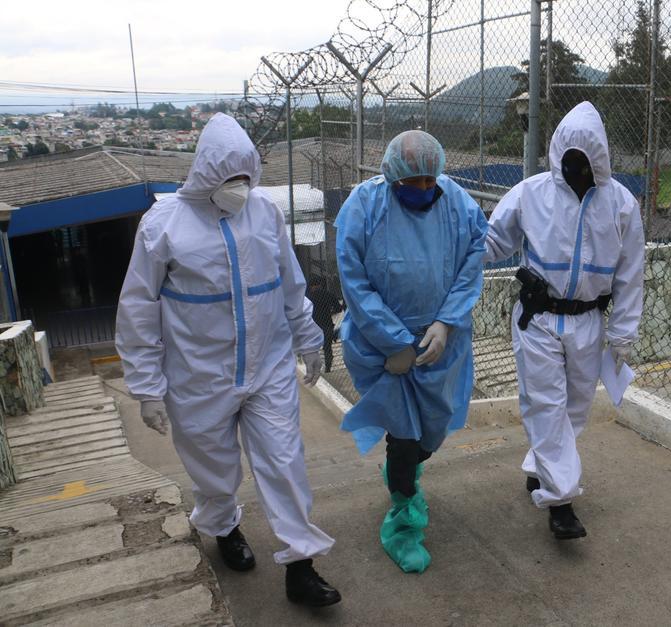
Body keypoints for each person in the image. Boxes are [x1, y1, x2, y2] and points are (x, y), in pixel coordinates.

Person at [115, 113, 341, 607]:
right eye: (229, 178)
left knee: (285, 463)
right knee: (214, 472)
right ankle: (223, 527)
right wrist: (147, 386)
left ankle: (301, 565)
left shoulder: (265, 214)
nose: (239, 188)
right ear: (205, 175)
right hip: (198, 376)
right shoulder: (163, 226)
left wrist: (308, 337)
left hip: (268, 369)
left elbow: (289, 283)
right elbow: (137, 309)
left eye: (246, 178)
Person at [484, 102, 644, 540]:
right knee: (545, 404)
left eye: (586, 162)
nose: (577, 169)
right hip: (539, 317)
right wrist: (457, 241)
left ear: (600, 161)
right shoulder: (531, 193)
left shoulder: (621, 205)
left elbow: (631, 273)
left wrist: (623, 332)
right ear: (558, 155)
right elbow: (494, 241)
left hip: (588, 320)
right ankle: (561, 503)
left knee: (575, 408)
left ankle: (540, 467)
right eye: (570, 160)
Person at [335, 129, 487, 573]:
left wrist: (446, 321)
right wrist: (395, 341)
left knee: (430, 432)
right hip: (384, 346)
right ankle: (402, 521)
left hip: (443, 342)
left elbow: (474, 254)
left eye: (429, 181)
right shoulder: (363, 206)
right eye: (413, 182)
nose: (423, 189)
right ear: (392, 175)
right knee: (403, 437)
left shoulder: (457, 202)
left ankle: (405, 471)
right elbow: (355, 279)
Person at [306, 280, 344, 373]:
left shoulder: (308, 297)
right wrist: (330, 312)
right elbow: (339, 308)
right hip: (326, 323)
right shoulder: (327, 294)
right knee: (327, 347)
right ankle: (328, 368)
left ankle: (313, 368)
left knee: (312, 348)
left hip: (313, 325)